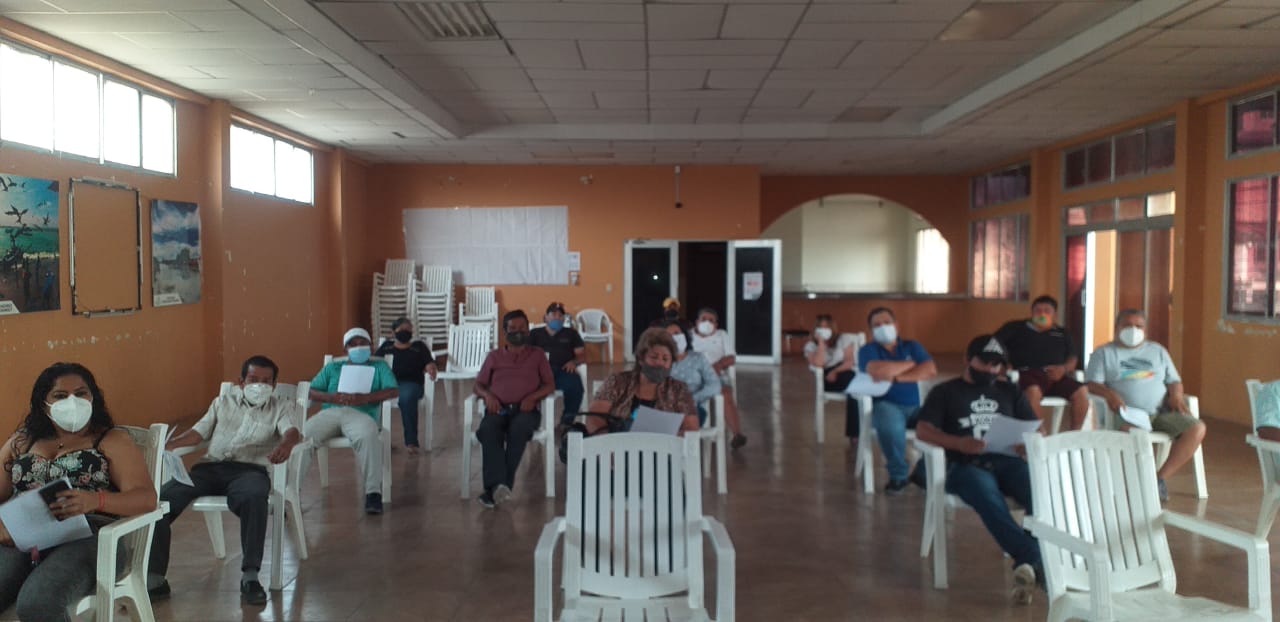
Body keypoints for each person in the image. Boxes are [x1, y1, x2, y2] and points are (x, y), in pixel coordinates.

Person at [0, 363, 156, 621]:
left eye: (81, 393)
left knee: (38, 602)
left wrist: (96, 500)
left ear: (93, 398)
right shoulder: (22, 441)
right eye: (60, 396)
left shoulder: (111, 440)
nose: (72, 402)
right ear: (44, 404)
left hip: (91, 537)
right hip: (23, 535)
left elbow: (146, 498)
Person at [149, 355, 302, 606]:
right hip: (210, 469)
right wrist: (171, 444)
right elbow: (198, 433)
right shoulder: (222, 402)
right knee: (162, 501)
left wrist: (286, 445)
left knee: (254, 497)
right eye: (253, 379)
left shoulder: (281, 407)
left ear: (274, 385)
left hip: (250, 471)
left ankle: (250, 576)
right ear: (241, 382)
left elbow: (292, 431)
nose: (260, 385)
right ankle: (154, 578)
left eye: (266, 381)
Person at [915, 336, 1043, 605]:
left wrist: (1026, 444)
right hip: (965, 464)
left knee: (1041, 490)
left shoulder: (1011, 391)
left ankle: (1028, 562)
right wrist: (959, 443)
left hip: (1007, 460)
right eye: (984, 362)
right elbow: (923, 431)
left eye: (996, 365)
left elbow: (1036, 428)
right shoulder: (945, 392)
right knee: (987, 496)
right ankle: (1035, 558)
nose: (990, 369)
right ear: (967, 359)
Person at [1085, 309, 1206, 502]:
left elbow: (1174, 380)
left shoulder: (1158, 351)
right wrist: (1109, 394)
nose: (1133, 330)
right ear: (1117, 328)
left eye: (1138, 326)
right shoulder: (1104, 353)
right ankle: (1136, 482)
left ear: (1145, 330)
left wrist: (1176, 396)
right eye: (1127, 325)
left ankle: (1158, 479)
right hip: (1126, 413)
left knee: (1196, 428)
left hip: (1161, 412)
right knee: (1133, 434)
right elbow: (1092, 384)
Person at [303, 328, 398, 515]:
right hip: (331, 412)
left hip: (361, 414)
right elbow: (311, 390)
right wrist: (331, 397)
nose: (358, 347)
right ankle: (290, 493)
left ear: (371, 347)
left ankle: (373, 493)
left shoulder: (380, 367)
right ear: (345, 350)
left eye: (363, 343)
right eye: (352, 344)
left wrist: (365, 398)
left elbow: (393, 391)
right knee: (303, 436)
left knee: (368, 436)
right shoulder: (333, 367)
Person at [472, 310, 555, 509]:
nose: (518, 332)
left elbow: (550, 385)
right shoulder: (494, 356)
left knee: (518, 430)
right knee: (488, 430)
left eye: (522, 328)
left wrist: (532, 397)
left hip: (526, 411)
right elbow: (478, 385)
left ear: (528, 331)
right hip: (498, 409)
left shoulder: (537, 355)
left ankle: (496, 488)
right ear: (505, 332)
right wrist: (488, 396)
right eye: (513, 329)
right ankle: (499, 487)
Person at [857, 307, 937, 494]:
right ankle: (899, 476)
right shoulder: (867, 350)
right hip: (885, 405)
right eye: (877, 325)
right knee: (890, 426)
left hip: (916, 408)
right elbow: (877, 372)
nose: (883, 327)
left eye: (887, 323)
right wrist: (911, 364)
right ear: (871, 331)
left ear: (896, 325)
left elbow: (930, 369)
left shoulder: (912, 346)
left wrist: (897, 377)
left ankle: (922, 472)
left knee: (945, 422)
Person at [995, 295, 1089, 430]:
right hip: (1027, 374)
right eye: (1038, 310)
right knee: (1033, 391)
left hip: (1057, 376)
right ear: (1031, 312)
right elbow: (994, 345)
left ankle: (1075, 435)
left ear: (1055, 315)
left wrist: (1063, 369)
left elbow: (1072, 358)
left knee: (1081, 391)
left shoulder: (1062, 333)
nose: (1042, 314)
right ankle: (1041, 435)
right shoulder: (1015, 328)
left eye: (1047, 311)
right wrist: (1004, 364)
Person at [588, 327, 699, 435]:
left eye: (665, 359)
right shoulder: (617, 382)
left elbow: (691, 428)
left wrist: (672, 441)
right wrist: (608, 442)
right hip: (616, 445)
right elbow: (595, 418)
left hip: (663, 446)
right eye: (654, 357)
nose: (659, 363)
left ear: (671, 364)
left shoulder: (679, 390)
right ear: (641, 359)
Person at [374, 317, 438, 454]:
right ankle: (379, 440)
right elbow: (375, 362)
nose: (405, 332)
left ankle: (411, 442)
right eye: (401, 329)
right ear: (393, 332)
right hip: (389, 384)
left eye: (408, 329)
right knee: (371, 397)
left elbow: (429, 362)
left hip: (411, 384)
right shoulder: (387, 346)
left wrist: (431, 368)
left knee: (407, 397)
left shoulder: (419, 346)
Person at [804, 314, 862, 446]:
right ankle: (855, 433)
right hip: (826, 376)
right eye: (820, 327)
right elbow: (818, 364)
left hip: (844, 370)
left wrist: (836, 371)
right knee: (854, 387)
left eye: (827, 327)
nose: (824, 330)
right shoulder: (810, 346)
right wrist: (821, 343)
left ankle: (856, 432)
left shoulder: (844, 339)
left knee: (855, 388)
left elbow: (850, 361)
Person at [691, 308, 746, 447]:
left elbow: (731, 357)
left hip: (715, 375)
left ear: (716, 324)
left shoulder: (721, 335)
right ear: (697, 322)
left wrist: (718, 365)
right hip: (693, 376)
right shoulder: (688, 335)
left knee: (726, 393)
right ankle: (688, 432)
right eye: (704, 319)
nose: (707, 323)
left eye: (711, 320)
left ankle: (737, 434)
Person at [529, 302, 585, 428]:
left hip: (563, 370)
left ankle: (566, 422)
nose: (557, 318)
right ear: (545, 317)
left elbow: (581, 355)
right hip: (539, 372)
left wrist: (574, 362)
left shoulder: (571, 334)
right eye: (553, 314)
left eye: (560, 315)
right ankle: (531, 420)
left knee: (576, 386)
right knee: (523, 385)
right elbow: (524, 353)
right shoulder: (534, 334)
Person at [665, 320, 721, 427]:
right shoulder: (660, 361)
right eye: (669, 335)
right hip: (666, 408)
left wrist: (693, 399)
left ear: (684, 335)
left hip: (693, 408)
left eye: (676, 333)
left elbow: (715, 385)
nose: (674, 338)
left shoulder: (698, 358)